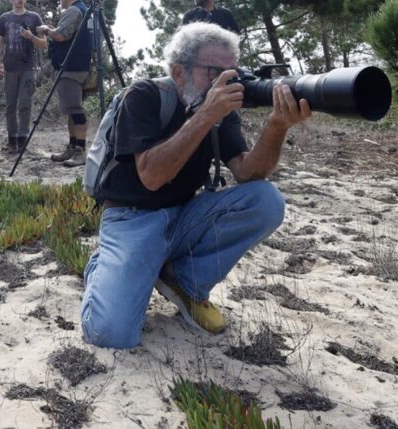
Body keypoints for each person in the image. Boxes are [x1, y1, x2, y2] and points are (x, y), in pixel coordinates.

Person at [80, 22, 310, 349]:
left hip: (184, 215)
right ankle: (104, 266)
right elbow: (152, 176)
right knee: (110, 334)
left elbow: (247, 173)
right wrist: (205, 114)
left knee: (265, 200)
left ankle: (183, 280)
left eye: (232, 72)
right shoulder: (143, 96)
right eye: (213, 72)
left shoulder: (221, 111)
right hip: (132, 220)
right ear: (178, 72)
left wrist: (277, 125)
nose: (226, 83)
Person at [38, 0, 94, 168]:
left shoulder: (73, 11)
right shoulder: (87, 11)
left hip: (70, 68)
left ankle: (80, 151)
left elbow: (61, 35)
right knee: (71, 109)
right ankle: (72, 146)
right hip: (81, 66)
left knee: (76, 111)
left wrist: (46, 30)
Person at [0, 0, 47, 152]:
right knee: (10, 105)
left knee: (25, 104)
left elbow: (44, 44)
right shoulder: (4, 18)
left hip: (28, 67)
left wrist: (30, 36)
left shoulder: (34, 18)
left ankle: (22, 139)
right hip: (10, 68)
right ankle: (11, 140)